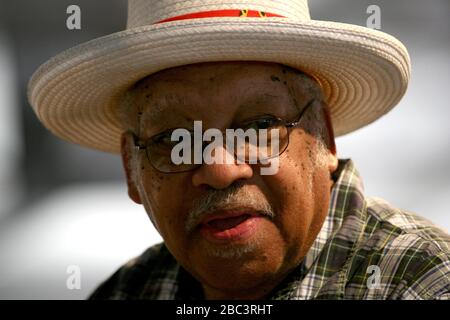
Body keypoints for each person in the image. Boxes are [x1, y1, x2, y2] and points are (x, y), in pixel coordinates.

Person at [28, 0, 450, 300]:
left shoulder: (420, 282)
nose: (219, 169)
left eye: (259, 127)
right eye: (175, 140)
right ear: (131, 169)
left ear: (324, 137)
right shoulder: (129, 290)